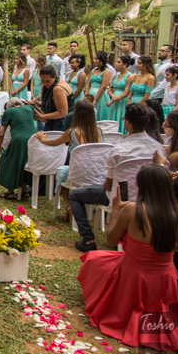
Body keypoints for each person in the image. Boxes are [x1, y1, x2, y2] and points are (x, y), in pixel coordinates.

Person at [77, 166, 178, 350]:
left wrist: (116, 208)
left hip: (131, 275)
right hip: (164, 279)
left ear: (141, 186)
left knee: (95, 259)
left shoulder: (132, 210)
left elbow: (111, 240)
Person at [69, 103, 165, 252]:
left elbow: (108, 186)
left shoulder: (119, 150)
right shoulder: (159, 148)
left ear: (127, 123)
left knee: (75, 195)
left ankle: (88, 239)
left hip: (121, 199)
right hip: (151, 198)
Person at [37, 100, 102, 210]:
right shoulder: (99, 132)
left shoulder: (73, 132)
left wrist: (42, 139)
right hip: (97, 172)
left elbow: (54, 142)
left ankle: (69, 206)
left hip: (79, 172)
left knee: (62, 175)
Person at [0, 98, 37, 199]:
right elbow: (42, 117)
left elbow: (1, 133)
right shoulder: (29, 108)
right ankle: (24, 190)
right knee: (24, 163)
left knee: (7, 161)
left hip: (19, 140)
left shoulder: (9, 111)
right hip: (34, 139)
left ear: (9, 107)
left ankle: (10, 191)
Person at [34, 65, 75, 131]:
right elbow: (53, 103)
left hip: (62, 124)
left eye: (47, 81)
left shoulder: (58, 89)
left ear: (55, 77)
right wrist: (38, 103)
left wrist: (42, 116)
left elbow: (63, 113)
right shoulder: (52, 84)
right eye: (43, 81)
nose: (45, 84)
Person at [105, 56, 133, 133]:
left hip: (122, 100)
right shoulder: (116, 75)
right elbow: (110, 88)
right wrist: (112, 95)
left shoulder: (130, 76)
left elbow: (126, 93)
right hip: (114, 98)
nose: (116, 64)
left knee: (120, 117)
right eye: (116, 62)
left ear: (125, 64)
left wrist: (113, 100)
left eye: (119, 62)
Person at [84, 51, 112, 120]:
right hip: (91, 93)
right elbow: (88, 85)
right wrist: (87, 96)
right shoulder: (93, 70)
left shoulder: (107, 72)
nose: (94, 60)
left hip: (100, 96)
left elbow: (103, 87)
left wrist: (95, 100)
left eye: (96, 59)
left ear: (102, 60)